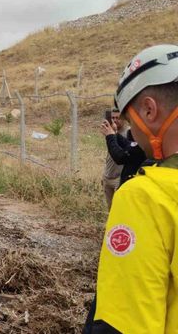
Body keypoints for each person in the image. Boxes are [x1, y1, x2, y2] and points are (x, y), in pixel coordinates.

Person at [84, 44, 178, 333]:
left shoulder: (146, 197)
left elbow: (121, 325)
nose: (132, 131)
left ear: (149, 110)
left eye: (129, 118)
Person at [100, 120, 148, 187]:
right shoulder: (143, 142)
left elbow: (119, 157)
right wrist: (114, 133)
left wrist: (110, 136)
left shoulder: (143, 146)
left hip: (132, 186)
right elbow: (128, 144)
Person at [99, 109, 128, 208]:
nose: (115, 120)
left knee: (119, 209)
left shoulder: (128, 133)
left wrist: (114, 134)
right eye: (112, 118)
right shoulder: (109, 132)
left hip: (119, 178)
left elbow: (120, 154)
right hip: (108, 176)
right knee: (110, 210)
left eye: (117, 118)